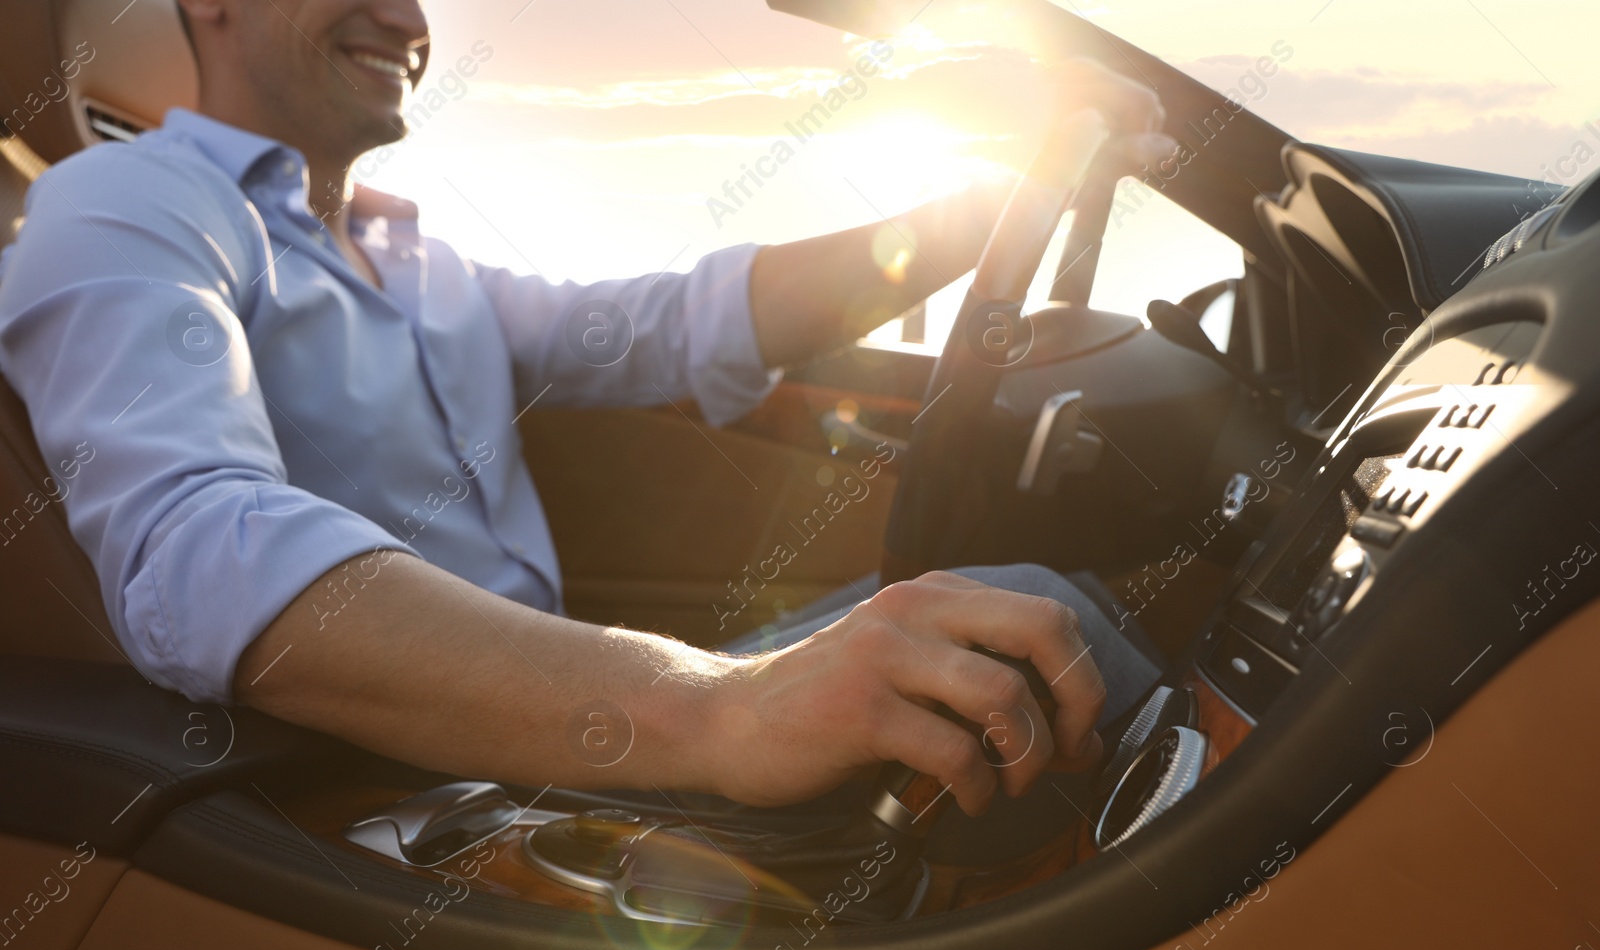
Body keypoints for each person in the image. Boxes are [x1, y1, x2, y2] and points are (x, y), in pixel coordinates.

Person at [0, 0, 1175, 827]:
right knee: (1033, 614)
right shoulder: (132, 200)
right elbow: (200, 549)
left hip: (582, 733)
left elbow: (677, 323)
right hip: (435, 799)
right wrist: (721, 708)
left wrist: (984, 211)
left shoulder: (424, 263)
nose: (409, 20)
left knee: (1004, 618)